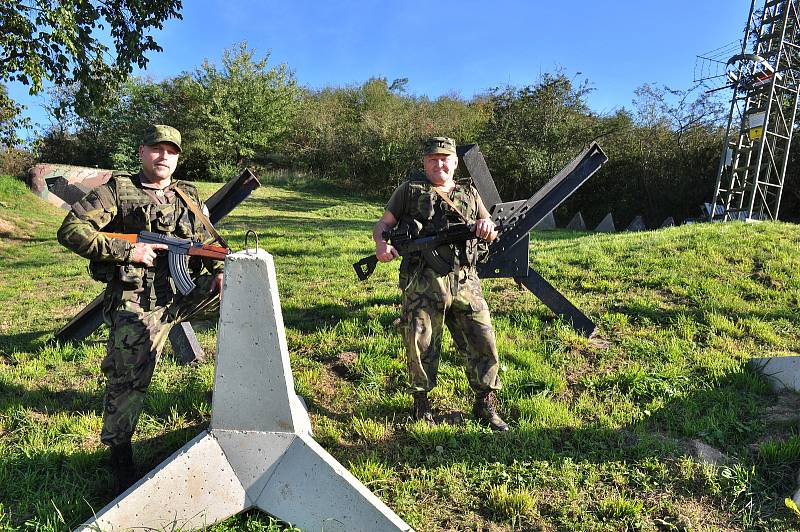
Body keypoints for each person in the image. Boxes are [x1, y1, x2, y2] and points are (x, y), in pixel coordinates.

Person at [57, 125, 226, 491]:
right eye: (156, 149)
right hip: (139, 300)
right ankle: (120, 455)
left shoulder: (188, 194)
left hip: (184, 292)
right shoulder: (117, 190)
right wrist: (127, 251)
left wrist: (221, 272)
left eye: (171, 151)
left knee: (243, 307)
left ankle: (231, 405)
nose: (164, 156)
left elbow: (204, 240)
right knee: (128, 379)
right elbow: (72, 229)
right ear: (141, 151)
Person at [373, 136, 509, 431]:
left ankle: (485, 403)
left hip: (465, 280)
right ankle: (422, 404)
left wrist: (487, 228)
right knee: (420, 342)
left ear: (455, 162)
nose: (439, 164)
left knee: (482, 339)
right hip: (423, 282)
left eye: (444, 159)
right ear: (425, 163)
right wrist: (381, 245)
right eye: (432, 159)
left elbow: (490, 227)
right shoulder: (408, 191)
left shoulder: (469, 194)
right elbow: (383, 224)